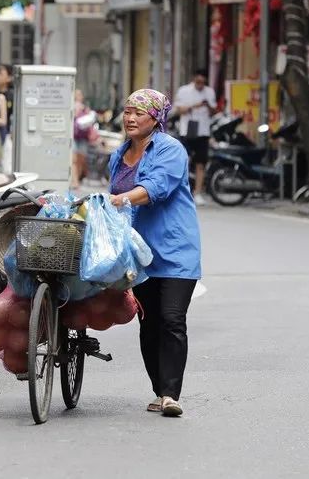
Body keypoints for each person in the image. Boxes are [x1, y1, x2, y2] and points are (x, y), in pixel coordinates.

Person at [108, 88, 201, 418]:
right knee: (148, 324)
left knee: (172, 319)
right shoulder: (118, 155)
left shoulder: (170, 149)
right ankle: (160, 391)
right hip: (139, 253)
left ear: (156, 118)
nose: (130, 118)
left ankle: (171, 395)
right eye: (127, 112)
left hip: (176, 251)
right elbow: (114, 199)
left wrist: (120, 199)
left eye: (139, 113)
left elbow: (156, 188)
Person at [173, 69, 217, 205]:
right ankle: (182, 192)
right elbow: (178, 110)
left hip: (203, 131)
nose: (200, 85)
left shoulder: (209, 92)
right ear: (194, 79)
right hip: (187, 131)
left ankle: (197, 193)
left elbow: (214, 111)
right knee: (183, 162)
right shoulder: (184, 91)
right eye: (198, 82)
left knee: (200, 163)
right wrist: (194, 106)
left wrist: (208, 105)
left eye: (203, 82)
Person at [71, 89, 95, 190]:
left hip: (83, 137)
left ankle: (78, 179)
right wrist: (75, 111)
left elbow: (90, 121)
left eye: (80, 95)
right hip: (73, 136)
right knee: (74, 160)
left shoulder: (85, 108)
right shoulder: (71, 106)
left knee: (81, 160)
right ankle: (75, 181)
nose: (78, 96)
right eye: (76, 95)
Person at [0, 64, 15, 173]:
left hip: (6, 134)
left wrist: (13, 132)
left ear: (9, 78)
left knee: (6, 167)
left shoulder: (13, 95)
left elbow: (15, 116)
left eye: (1, 74)